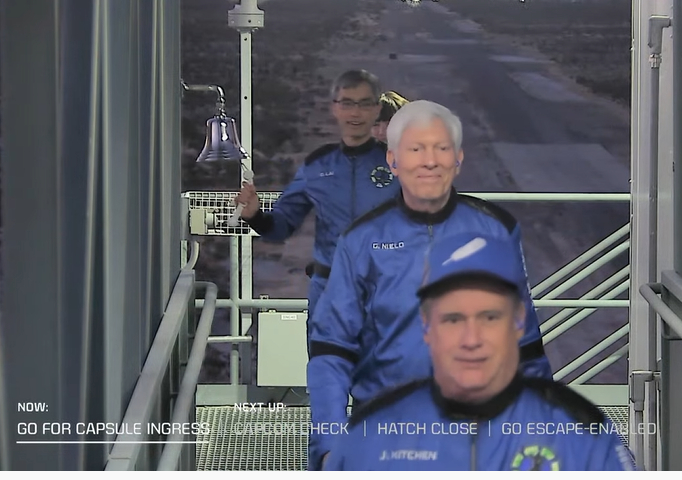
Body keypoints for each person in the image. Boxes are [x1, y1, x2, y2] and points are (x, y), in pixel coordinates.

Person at [307, 100, 553, 470]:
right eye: (415, 149)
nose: (429, 161)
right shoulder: (360, 240)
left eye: (441, 148)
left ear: (458, 158)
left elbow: (526, 347)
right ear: (392, 161)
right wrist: (329, 444)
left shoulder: (496, 230)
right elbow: (331, 351)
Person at [322, 232, 636, 471]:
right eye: (453, 318)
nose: (471, 339)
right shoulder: (370, 436)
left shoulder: (581, 433)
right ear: (427, 325)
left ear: (518, 321)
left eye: (489, 317)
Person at [233, 70, 400, 347]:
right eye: (347, 104)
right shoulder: (318, 166)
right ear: (335, 109)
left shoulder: (406, 167)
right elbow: (280, 228)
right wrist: (255, 216)